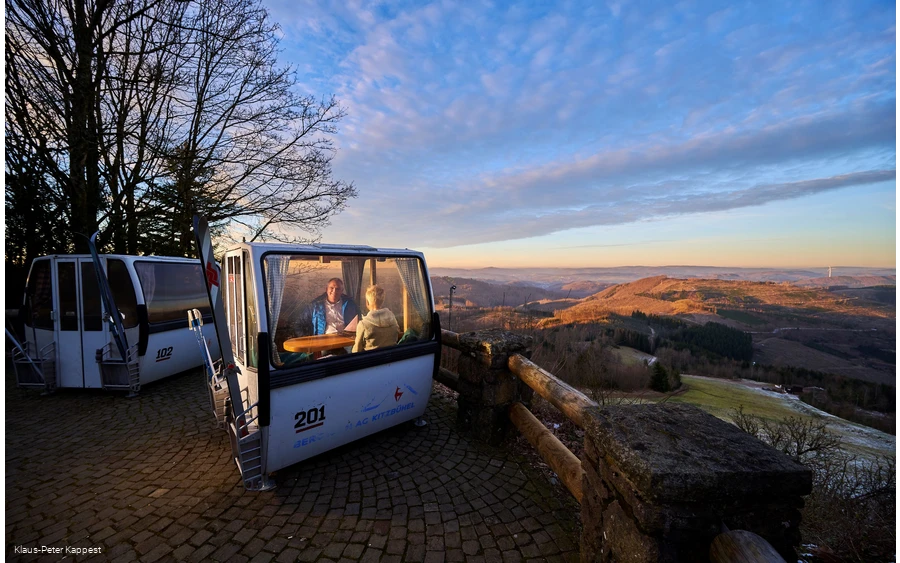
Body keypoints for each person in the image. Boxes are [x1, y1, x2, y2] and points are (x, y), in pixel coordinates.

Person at [353, 285, 400, 353]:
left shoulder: (363, 324)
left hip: (371, 360)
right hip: (391, 357)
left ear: (367, 302)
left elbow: (356, 350)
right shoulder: (393, 319)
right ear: (382, 301)